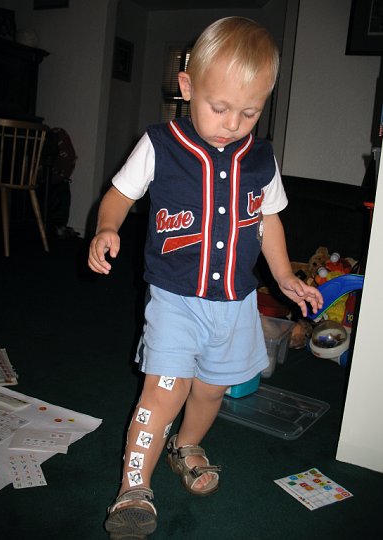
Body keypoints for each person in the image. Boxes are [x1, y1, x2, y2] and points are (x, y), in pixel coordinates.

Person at [88, 16, 323, 539]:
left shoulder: (262, 158)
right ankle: (133, 487)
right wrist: (107, 227)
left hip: (236, 303)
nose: (233, 122)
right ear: (187, 86)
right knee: (164, 389)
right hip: (174, 297)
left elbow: (268, 218)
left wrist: (283, 276)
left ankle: (186, 445)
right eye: (220, 108)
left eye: (250, 111)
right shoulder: (160, 143)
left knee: (213, 390)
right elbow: (120, 194)